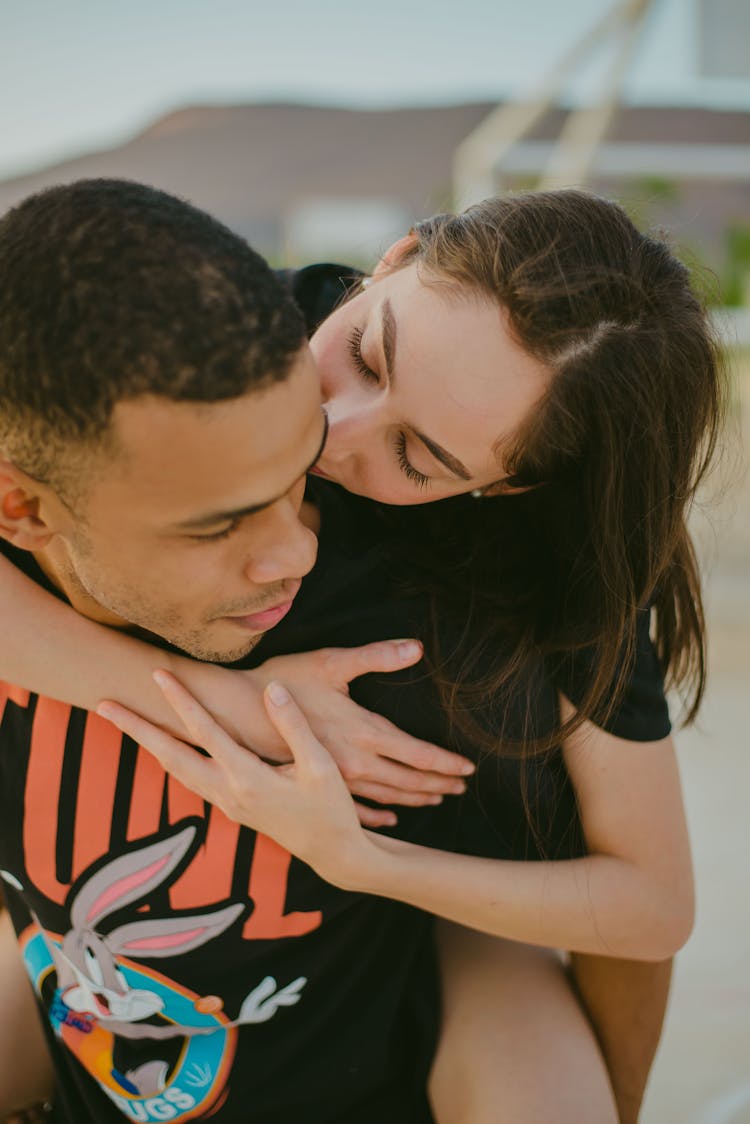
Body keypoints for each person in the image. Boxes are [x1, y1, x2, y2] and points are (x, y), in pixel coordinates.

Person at [0, 180, 723, 1122]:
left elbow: (648, 909)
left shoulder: (537, 576)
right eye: (367, 355)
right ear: (395, 259)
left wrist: (357, 859)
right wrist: (231, 701)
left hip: (397, 971)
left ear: (504, 491)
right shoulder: (203, 331)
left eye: (418, 457)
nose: (328, 435)